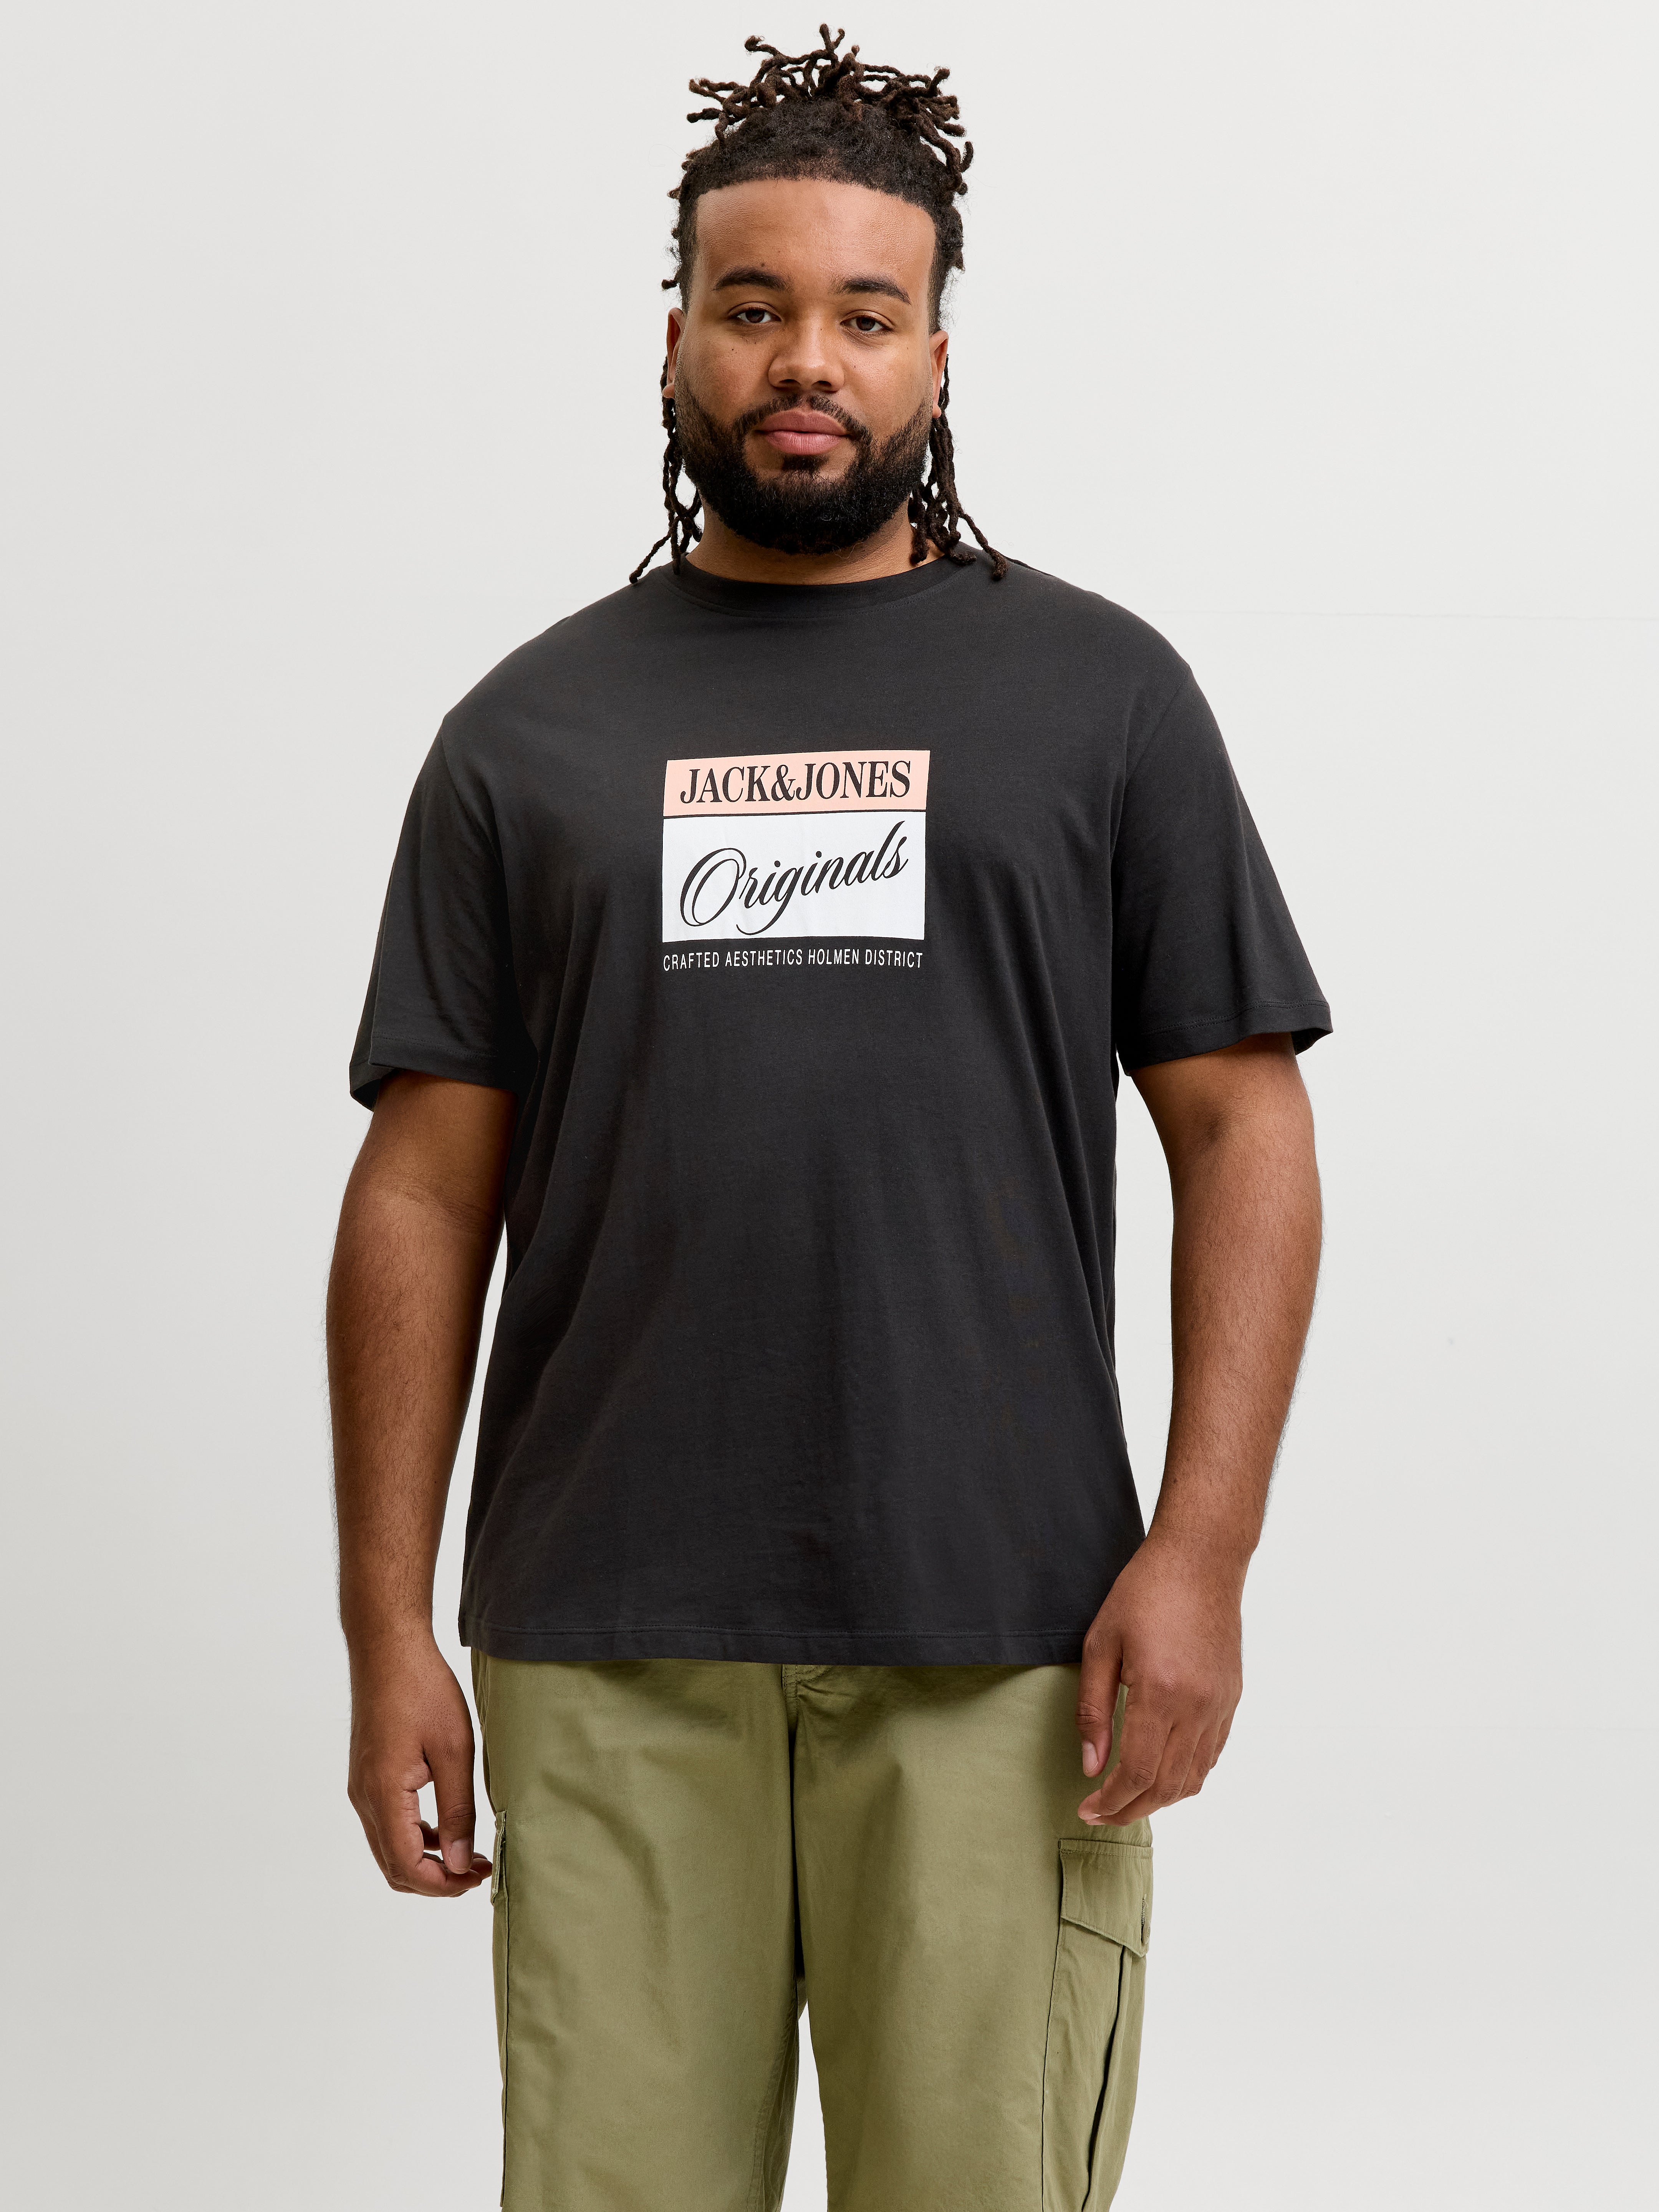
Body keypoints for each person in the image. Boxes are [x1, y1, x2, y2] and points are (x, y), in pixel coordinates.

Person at [328, 28, 1329, 2211]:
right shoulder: (525, 735)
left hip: (1006, 1638)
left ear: (937, 356)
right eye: (755, 305)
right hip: (605, 1634)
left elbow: (1243, 1128)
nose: (809, 361)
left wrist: (1205, 1551)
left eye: (867, 315)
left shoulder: (1104, 701)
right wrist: (387, 1622)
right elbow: (418, 1193)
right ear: (678, 338)